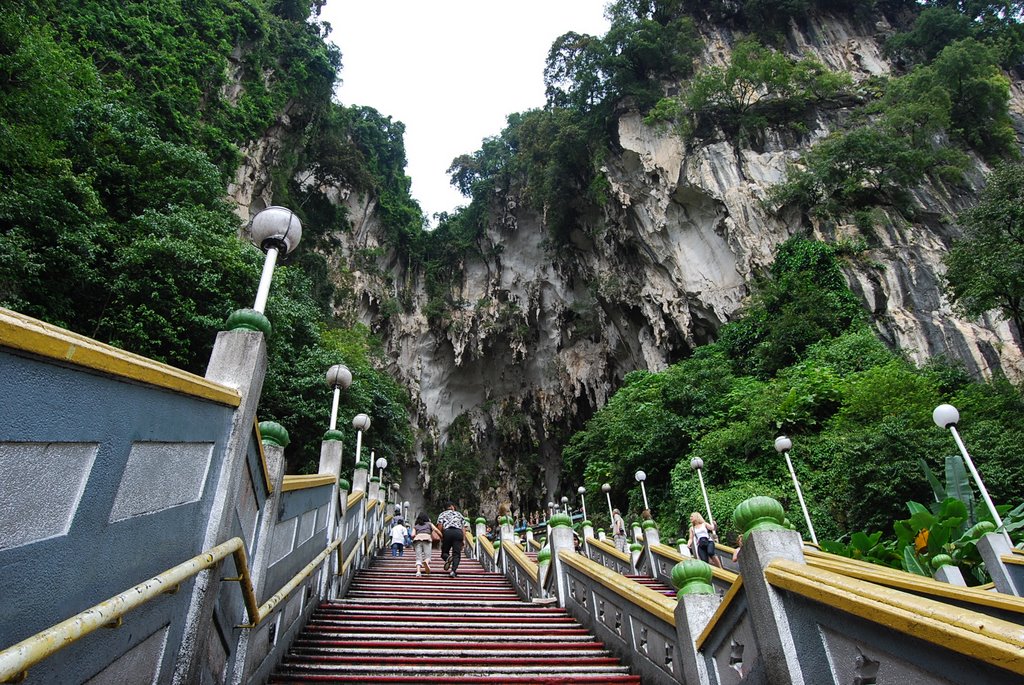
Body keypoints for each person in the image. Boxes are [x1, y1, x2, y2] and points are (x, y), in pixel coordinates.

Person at [437, 502, 466, 577]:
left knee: (444, 552)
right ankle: (453, 571)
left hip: (447, 532)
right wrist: (463, 539)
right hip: (458, 533)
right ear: (452, 507)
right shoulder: (459, 514)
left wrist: (441, 536)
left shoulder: (442, 514)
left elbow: (440, 526)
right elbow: (463, 528)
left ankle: (448, 557)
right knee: (457, 554)